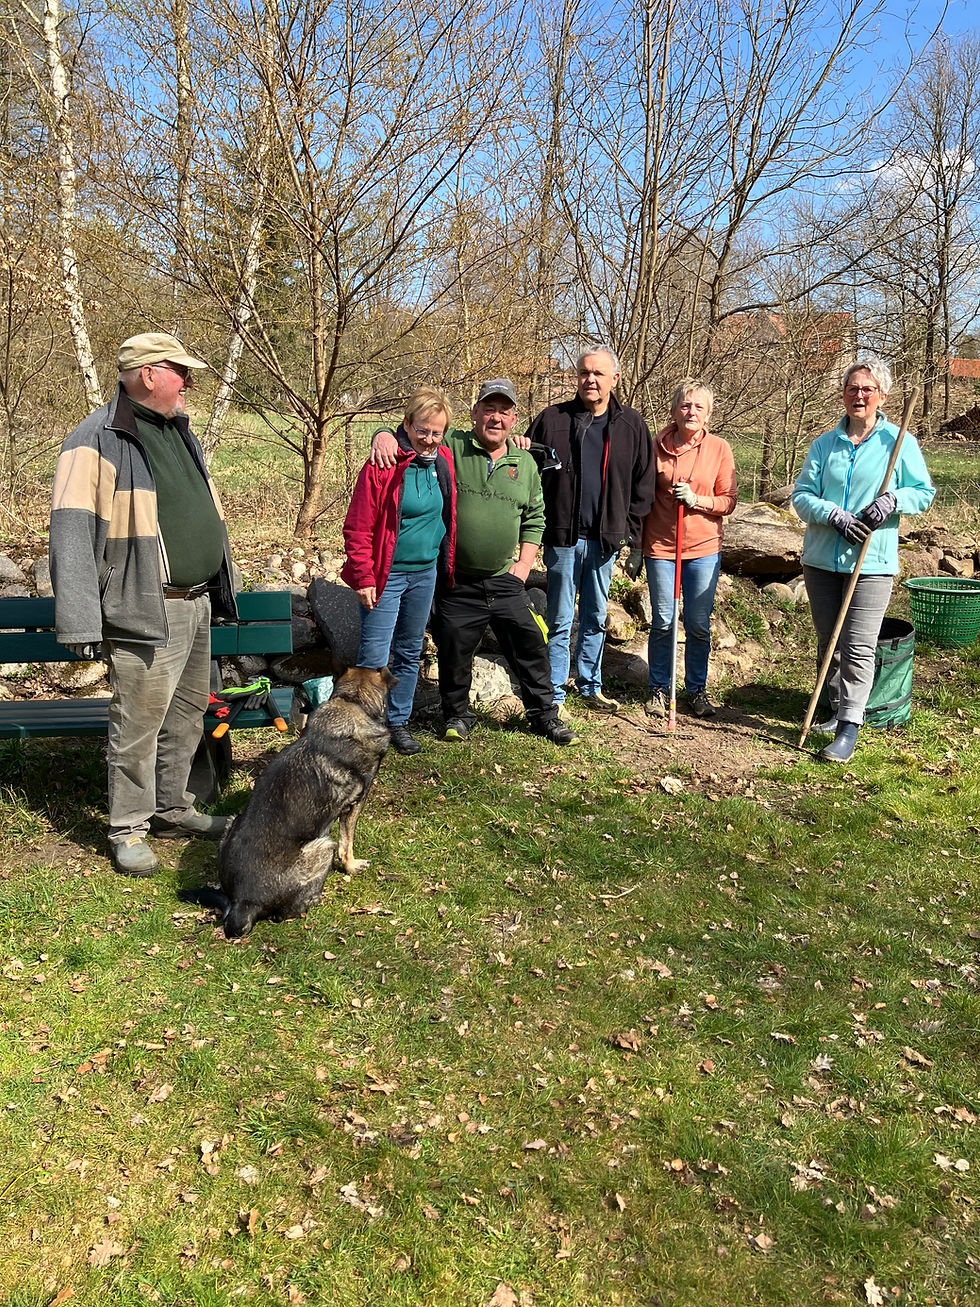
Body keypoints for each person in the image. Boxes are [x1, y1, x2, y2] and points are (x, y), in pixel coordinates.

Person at [49, 332, 239, 876]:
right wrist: (82, 619)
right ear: (149, 374)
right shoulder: (96, 438)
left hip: (196, 601)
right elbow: (71, 533)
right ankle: (127, 828)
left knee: (185, 716)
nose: (189, 381)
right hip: (145, 605)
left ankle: (173, 807)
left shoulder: (178, 431)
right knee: (138, 723)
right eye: (181, 370)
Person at [370, 380, 577, 746]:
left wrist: (524, 565)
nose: (496, 418)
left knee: (530, 643)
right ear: (475, 413)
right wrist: (383, 433)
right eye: (489, 409)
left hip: (505, 578)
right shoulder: (453, 447)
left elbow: (535, 518)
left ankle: (545, 715)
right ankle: (456, 716)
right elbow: (417, 431)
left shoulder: (525, 462)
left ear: (515, 419)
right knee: (454, 648)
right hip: (457, 579)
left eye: (504, 411)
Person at [792, 356, 934, 763]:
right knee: (829, 640)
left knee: (858, 644)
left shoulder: (898, 442)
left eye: (867, 389)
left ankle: (850, 726)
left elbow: (923, 492)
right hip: (821, 559)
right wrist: (833, 515)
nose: (859, 395)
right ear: (843, 393)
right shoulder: (825, 444)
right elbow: (802, 496)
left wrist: (892, 500)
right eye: (852, 388)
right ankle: (835, 709)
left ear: (882, 396)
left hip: (872, 563)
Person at [523, 346, 657, 713]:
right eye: (584, 373)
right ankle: (553, 691)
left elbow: (643, 486)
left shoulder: (632, 426)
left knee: (596, 616)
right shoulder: (552, 420)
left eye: (598, 374)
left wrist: (634, 538)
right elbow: (524, 471)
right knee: (560, 617)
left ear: (615, 378)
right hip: (562, 537)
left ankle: (590, 685)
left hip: (605, 539)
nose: (590, 380)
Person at [341, 387, 457, 756]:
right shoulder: (384, 464)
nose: (429, 439)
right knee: (373, 658)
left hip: (425, 574)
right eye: (422, 430)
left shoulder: (445, 461)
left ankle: (397, 723)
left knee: (410, 651)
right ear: (407, 424)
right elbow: (358, 526)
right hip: (386, 577)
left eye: (437, 432)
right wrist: (363, 577)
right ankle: (360, 727)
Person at [636, 379, 737, 719]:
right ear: (674, 410)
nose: (691, 412)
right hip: (662, 547)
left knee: (697, 623)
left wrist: (699, 500)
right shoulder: (655, 447)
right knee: (663, 621)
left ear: (708, 414)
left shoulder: (719, 449)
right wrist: (637, 543)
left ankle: (696, 690)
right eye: (685, 405)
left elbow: (729, 501)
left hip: (703, 548)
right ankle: (658, 688)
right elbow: (642, 496)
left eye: (698, 407)